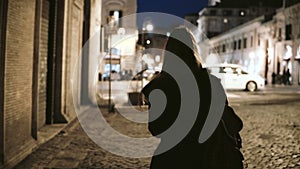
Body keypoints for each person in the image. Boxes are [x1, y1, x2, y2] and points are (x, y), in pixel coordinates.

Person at [142, 27, 244, 168]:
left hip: (171, 159)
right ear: (194, 51)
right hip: (206, 159)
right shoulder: (211, 84)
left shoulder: (160, 86)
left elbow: (156, 129)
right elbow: (233, 123)